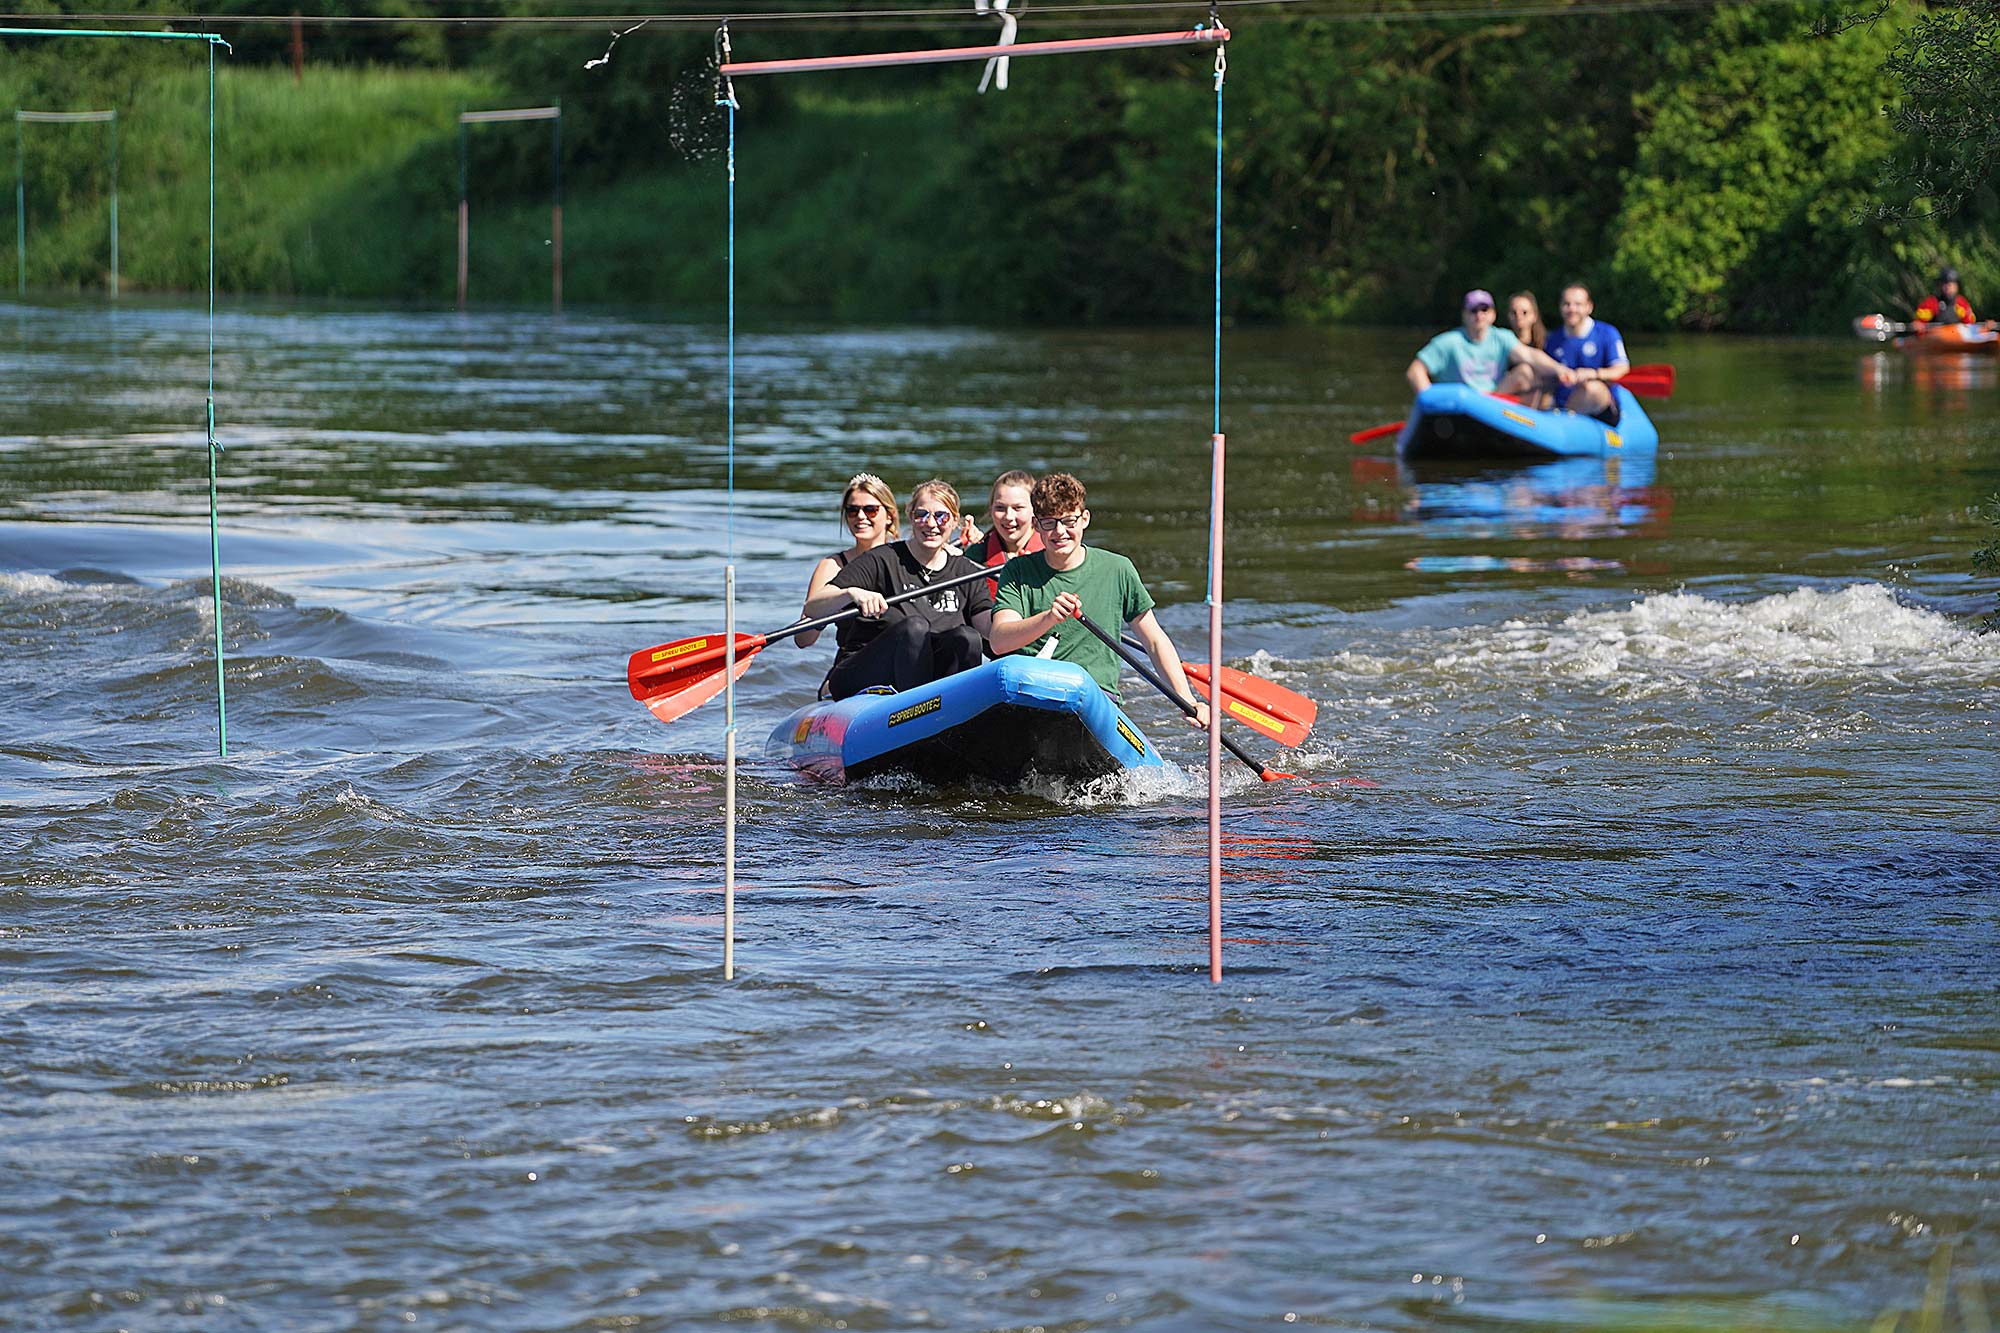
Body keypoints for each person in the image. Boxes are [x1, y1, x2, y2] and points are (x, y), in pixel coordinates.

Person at [988, 472, 1209, 731]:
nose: (1059, 532)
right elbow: (999, 641)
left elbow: (1154, 641)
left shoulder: (1117, 569)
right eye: (1049, 523)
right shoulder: (1017, 571)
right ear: (1037, 525)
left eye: (1068, 521)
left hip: (1096, 698)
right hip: (1036, 693)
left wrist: (1187, 700)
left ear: (1085, 519)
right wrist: (1049, 618)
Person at [804, 479, 994, 700]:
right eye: (922, 515)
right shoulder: (882, 558)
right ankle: (915, 714)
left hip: (927, 677)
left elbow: (991, 630)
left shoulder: (968, 571)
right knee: (914, 627)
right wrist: (851, 593)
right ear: (910, 517)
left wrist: (1038, 616)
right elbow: (813, 608)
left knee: (967, 637)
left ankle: (962, 713)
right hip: (863, 672)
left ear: (954, 522)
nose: (931, 524)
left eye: (941, 516)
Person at [795, 473, 898, 650]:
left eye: (870, 510)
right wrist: (839, 599)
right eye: (852, 510)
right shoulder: (832, 566)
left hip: (904, 656)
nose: (860, 516)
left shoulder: (905, 557)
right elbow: (803, 639)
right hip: (853, 660)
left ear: (890, 515)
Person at [1406, 289, 1561, 397]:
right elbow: (1415, 371)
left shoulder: (1502, 338)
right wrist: (1429, 401)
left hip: (1490, 403)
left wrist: (1561, 370)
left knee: (1525, 371)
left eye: (1484, 309)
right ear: (1464, 316)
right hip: (1458, 407)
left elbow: (1531, 356)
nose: (1479, 315)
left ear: (1493, 315)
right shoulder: (1448, 342)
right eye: (1473, 310)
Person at [1541, 282, 1629, 426]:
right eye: (1566, 304)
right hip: (1560, 406)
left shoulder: (1607, 333)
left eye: (1578, 304)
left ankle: (1565, 421)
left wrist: (1593, 374)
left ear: (1589, 307)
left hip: (1598, 406)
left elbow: (1621, 368)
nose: (1571, 309)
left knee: (1592, 389)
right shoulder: (1553, 340)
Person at [959, 469, 1045, 595]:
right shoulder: (975, 557)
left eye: (1018, 508)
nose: (1009, 516)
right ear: (991, 509)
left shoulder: (1053, 552)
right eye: (1000, 508)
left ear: (1035, 509)